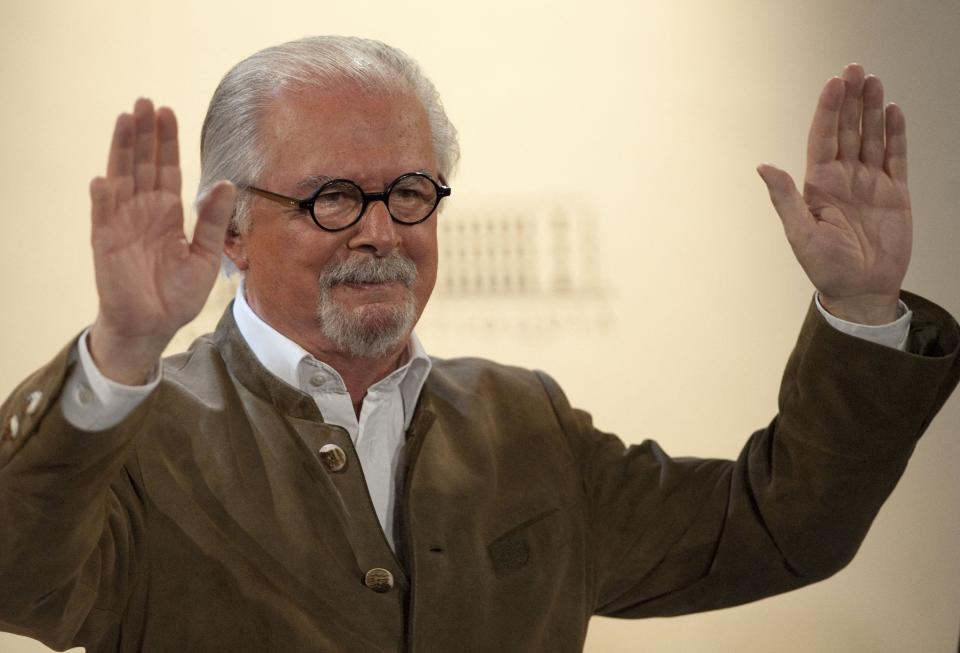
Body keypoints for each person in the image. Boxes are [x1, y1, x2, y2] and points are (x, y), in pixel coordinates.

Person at [0, 36, 957, 653]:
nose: (379, 230)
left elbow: (779, 529)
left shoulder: (521, 421)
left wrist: (861, 312)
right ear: (233, 228)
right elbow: (18, 574)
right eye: (332, 196)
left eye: (410, 191)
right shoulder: (137, 435)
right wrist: (120, 349)